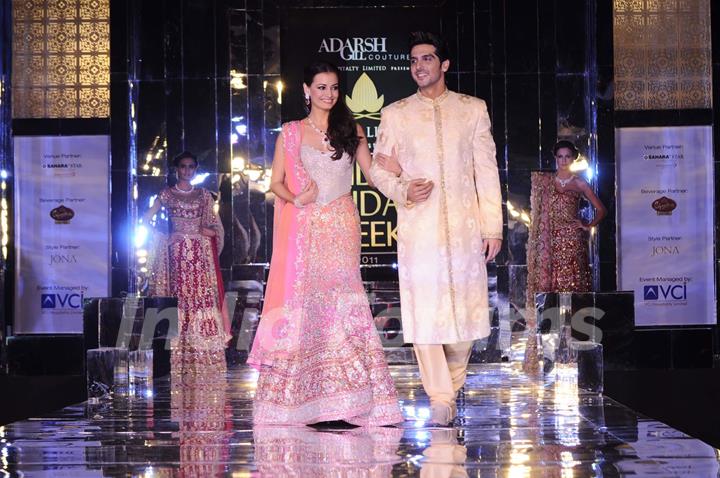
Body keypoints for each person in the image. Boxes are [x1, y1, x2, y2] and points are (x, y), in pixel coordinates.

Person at [247, 61, 403, 427]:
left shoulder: (352, 129)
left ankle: (350, 397)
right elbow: (276, 183)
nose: (329, 94)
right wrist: (299, 200)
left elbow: (372, 174)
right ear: (306, 90)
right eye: (321, 88)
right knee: (306, 303)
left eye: (334, 88)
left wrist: (399, 174)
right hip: (306, 228)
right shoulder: (290, 133)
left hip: (343, 223)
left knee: (343, 300)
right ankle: (304, 399)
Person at [370, 32, 503, 426]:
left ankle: (452, 385)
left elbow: (487, 170)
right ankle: (440, 397)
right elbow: (379, 167)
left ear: (444, 64)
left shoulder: (472, 109)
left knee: (466, 316)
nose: (419, 66)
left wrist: (492, 226)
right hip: (419, 227)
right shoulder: (396, 113)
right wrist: (403, 189)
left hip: (464, 227)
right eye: (413, 61)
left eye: (427, 59)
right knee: (424, 312)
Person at [144, 151, 230, 379]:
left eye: (191, 167)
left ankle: (203, 353)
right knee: (179, 300)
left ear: (196, 169)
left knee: (201, 300)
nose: (187, 171)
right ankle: (178, 355)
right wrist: (164, 237)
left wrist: (207, 232)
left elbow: (217, 228)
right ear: (176, 169)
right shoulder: (167, 195)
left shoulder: (204, 196)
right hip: (177, 256)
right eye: (183, 167)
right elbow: (145, 219)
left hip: (200, 258)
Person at [525, 140, 607, 316]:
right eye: (560, 157)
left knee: (571, 282)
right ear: (555, 158)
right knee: (550, 282)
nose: (563, 160)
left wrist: (587, 225)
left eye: (567, 156)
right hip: (550, 240)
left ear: (573, 159)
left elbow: (601, 210)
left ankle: (576, 325)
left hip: (572, 240)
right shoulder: (545, 182)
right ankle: (550, 324)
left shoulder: (580, 183)